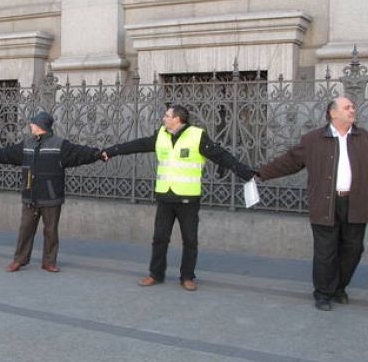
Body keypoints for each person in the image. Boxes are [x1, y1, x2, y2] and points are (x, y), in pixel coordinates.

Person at [257, 96, 368, 311]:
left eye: (353, 107)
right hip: (325, 203)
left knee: (353, 249)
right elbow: (290, 161)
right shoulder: (313, 140)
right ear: (333, 113)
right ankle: (323, 293)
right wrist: (261, 173)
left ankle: (339, 287)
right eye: (347, 107)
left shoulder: (365, 138)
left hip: (356, 202)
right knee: (326, 251)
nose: (352, 110)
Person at [101, 104, 254, 290]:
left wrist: (245, 173)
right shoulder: (161, 135)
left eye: (167, 115)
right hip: (165, 197)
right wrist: (111, 151)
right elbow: (137, 145)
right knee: (159, 238)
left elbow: (221, 156)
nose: (163, 118)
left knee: (190, 240)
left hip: (188, 199)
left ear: (177, 119)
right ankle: (155, 274)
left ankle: (187, 277)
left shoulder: (197, 136)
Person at [0, 111, 101, 273]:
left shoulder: (60, 145)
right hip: (30, 195)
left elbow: (80, 153)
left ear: (40, 126)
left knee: (51, 231)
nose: (31, 125)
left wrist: (97, 154)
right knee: (25, 229)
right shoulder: (27, 144)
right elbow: (7, 153)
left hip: (51, 196)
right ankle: (19, 260)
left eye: (33, 123)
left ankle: (49, 262)